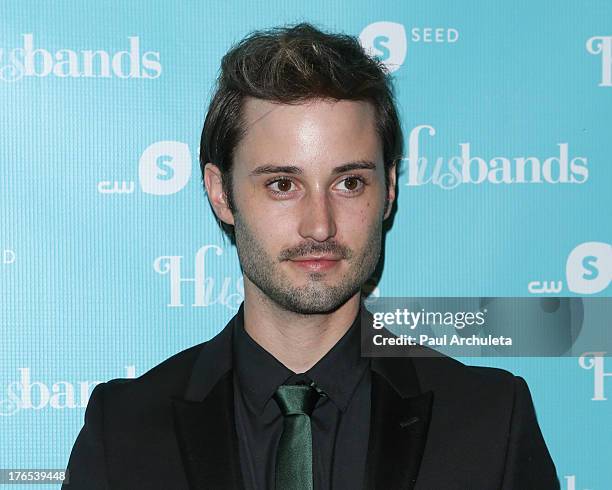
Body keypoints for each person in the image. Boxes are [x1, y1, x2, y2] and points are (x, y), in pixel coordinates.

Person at [62, 23, 560, 490]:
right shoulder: (124, 429)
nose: (319, 225)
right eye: (282, 184)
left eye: (349, 183)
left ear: (388, 191)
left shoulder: (490, 420)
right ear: (221, 193)